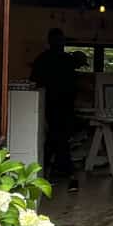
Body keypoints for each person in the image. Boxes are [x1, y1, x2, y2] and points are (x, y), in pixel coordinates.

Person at [30, 28, 81, 192]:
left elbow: (35, 82)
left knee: (57, 138)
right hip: (52, 105)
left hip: (60, 105)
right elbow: (35, 84)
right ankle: (61, 169)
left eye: (61, 41)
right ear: (52, 42)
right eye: (58, 41)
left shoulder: (48, 59)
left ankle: (53, 169)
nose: (60, 44)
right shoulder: (46, 59)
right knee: (56, 138)